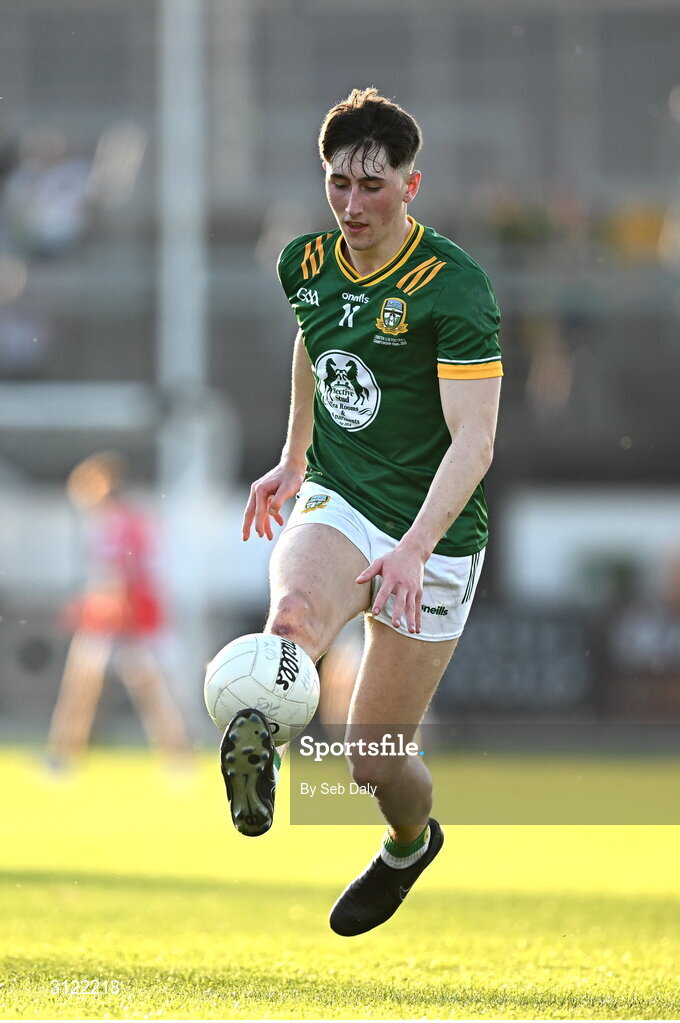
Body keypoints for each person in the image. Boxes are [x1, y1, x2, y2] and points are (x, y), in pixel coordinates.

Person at [221, 88, 502, 936]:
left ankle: (410, 844)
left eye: (373, 187)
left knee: (371, 760)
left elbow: (476, 441)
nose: (352, 204)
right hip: (340, 497)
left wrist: (414, 548)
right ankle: (258, 741)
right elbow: (314, 339)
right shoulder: (303, 262)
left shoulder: (453, 289)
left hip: (436, 531)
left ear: (412, 187)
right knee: (293, 615)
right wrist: (295, 454)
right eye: (338, 183)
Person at [46, 452, 192, 770]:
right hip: (134, 616)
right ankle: (178, 758)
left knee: (86, 689)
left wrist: (99, 611)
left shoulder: (113, 524)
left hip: (122, 620)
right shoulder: (134, 519)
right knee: (137, 691)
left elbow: (117, 576)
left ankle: (63, 758)